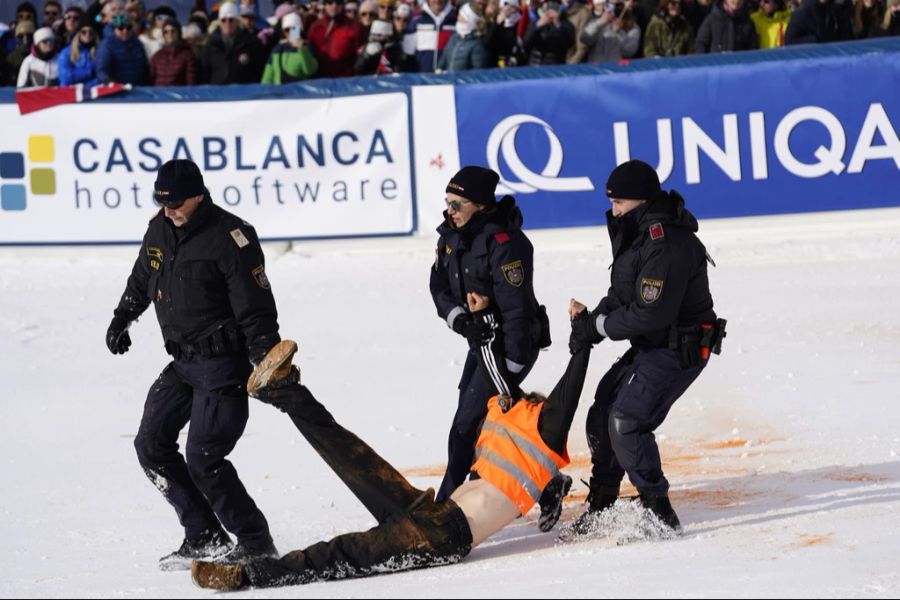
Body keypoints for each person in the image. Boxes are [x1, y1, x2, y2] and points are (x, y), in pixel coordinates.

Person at [191, 293, 594, 591]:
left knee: (342, 553)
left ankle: (246, 575)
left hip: (442, 537)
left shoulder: (542, 430)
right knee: (349, 453)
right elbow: (492, 360)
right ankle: (282, 390)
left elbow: (568, 394)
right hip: (432, 510)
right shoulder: (507, 412)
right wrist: (481, 317)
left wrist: (581, 342)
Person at [106, 159, 282, 571]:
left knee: (205, 457)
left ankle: (255, 540)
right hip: (183, 363)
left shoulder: (230, 237)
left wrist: (266, 356)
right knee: (150, 445)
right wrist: (122, 317)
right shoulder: (159, 230)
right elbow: (141, 278)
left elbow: (256, 306)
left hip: (222, 365)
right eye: (162, 202)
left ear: (199, 194)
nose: (169, 210)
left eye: (177, 203)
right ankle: (203, 535)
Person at [566, 159, 726, 536]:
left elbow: (650, 313)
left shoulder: (666, 243)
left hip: (678, 349)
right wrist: (591, 322)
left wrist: (602, 326)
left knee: (627, 421)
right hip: (653, 344)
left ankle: (659, 513)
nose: (613, 211)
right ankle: (602, 504)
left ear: (639, 201)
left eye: (619, 203)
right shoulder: (637, 235)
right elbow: (622, 295)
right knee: (602, 410)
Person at [428, 166, 569, 531]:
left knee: (466, 425)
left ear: (480, 204)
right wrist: (462, 320)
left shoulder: (506, 244)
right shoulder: (451, 235)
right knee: (483, 417)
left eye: (457, 203)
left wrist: (509, 365)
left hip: (509, 345)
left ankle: (443, 509)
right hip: (480, 341)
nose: (450, 210)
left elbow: (516, 312)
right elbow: (439, 286)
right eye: (447, 202)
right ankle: (549, 481)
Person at [261, 10, 318, 82]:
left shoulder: (308, 48)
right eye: (287, 30)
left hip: (297, 92)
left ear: (300, 30)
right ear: (284, 32)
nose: (290, 32)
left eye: (294, 29)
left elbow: (310, 70)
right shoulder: (277, 49)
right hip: (278, 92)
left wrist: (302, 49)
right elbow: (268, 75)